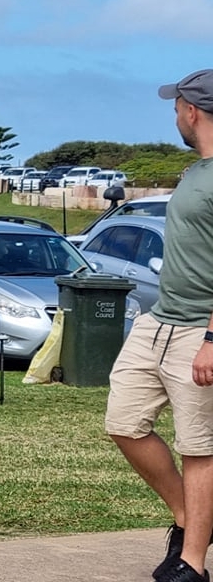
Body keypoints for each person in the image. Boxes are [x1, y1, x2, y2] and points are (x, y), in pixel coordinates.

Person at [106, 68, 213, 582]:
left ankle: (192, 562)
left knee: (199, 446)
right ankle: (190, 518)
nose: (175, 116)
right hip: (160, 321)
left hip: (201, 329)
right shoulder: (195, 172)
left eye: (177, 108)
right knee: (124, 423)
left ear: (192, 111)